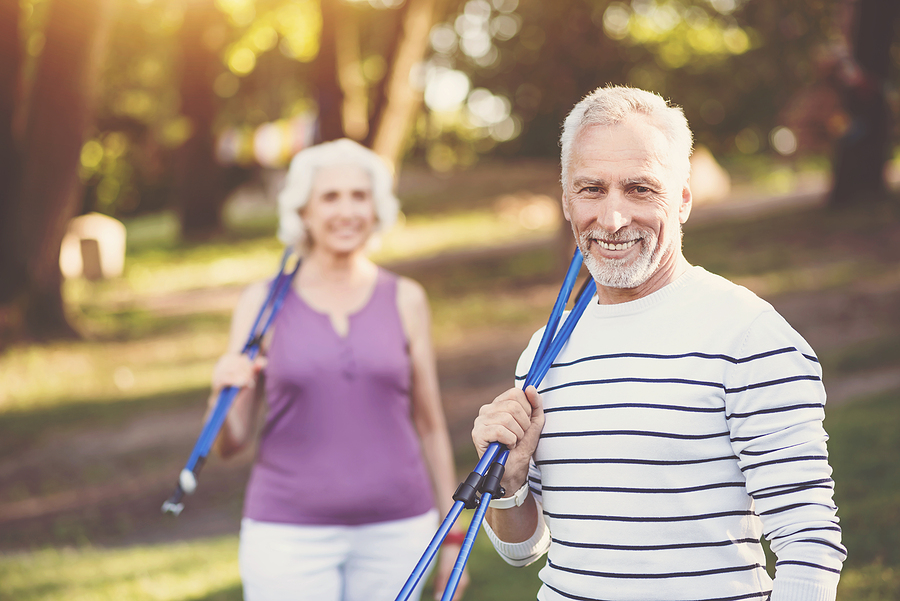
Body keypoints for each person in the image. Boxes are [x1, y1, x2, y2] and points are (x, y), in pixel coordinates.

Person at [471, 86, 846, 601]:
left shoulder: (749, 334)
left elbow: (809, 543)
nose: (613, 218)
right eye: (591, 189)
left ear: (684, 198)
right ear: (566, 200)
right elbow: (523, 549)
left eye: (641, 189)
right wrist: (507, 484)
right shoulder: (545, 350)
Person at [210, 138, 468, 601]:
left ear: (377, 208)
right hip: (287, 535)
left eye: (359, 195)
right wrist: (220, 393)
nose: (347, 210)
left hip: (399, 529)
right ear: (303, 212)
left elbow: (430, 424)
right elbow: (231, 443)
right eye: (330, 197)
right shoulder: (261, 303)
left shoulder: (406, 298)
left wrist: (451, 538)